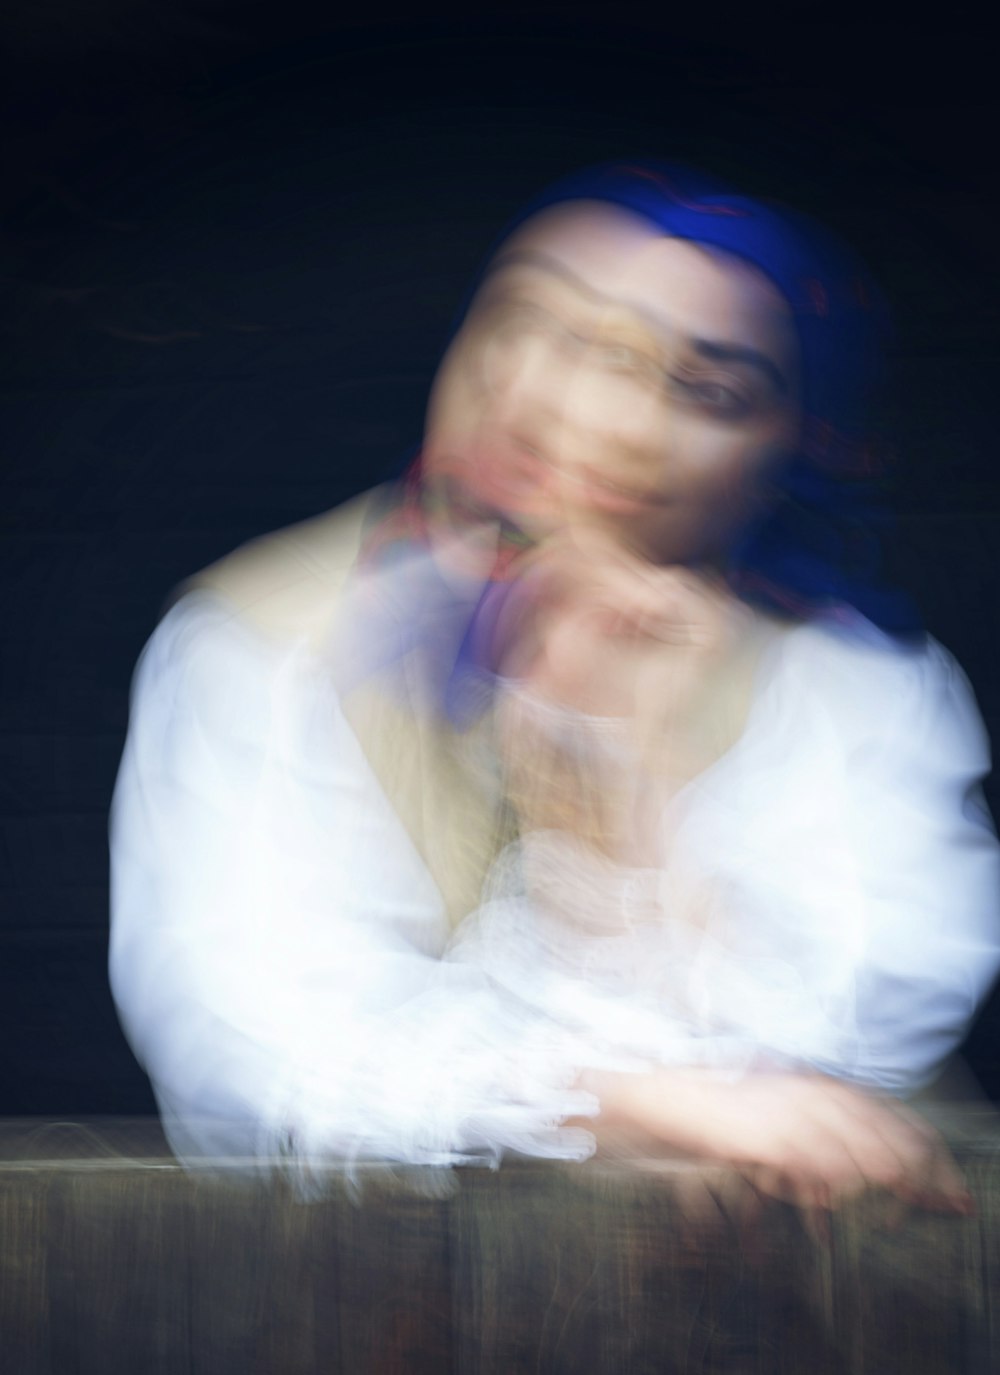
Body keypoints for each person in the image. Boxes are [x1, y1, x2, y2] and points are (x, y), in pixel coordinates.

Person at [109, 161, 1000, 1215]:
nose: (588, 408)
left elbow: (834, 1076)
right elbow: (264, 1054)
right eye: (540, 325)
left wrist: (629, 786)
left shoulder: (855, 689)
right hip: (361, 1338)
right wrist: (636, 1102)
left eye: (702, 387)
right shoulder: (260, 644)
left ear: (788, 449)